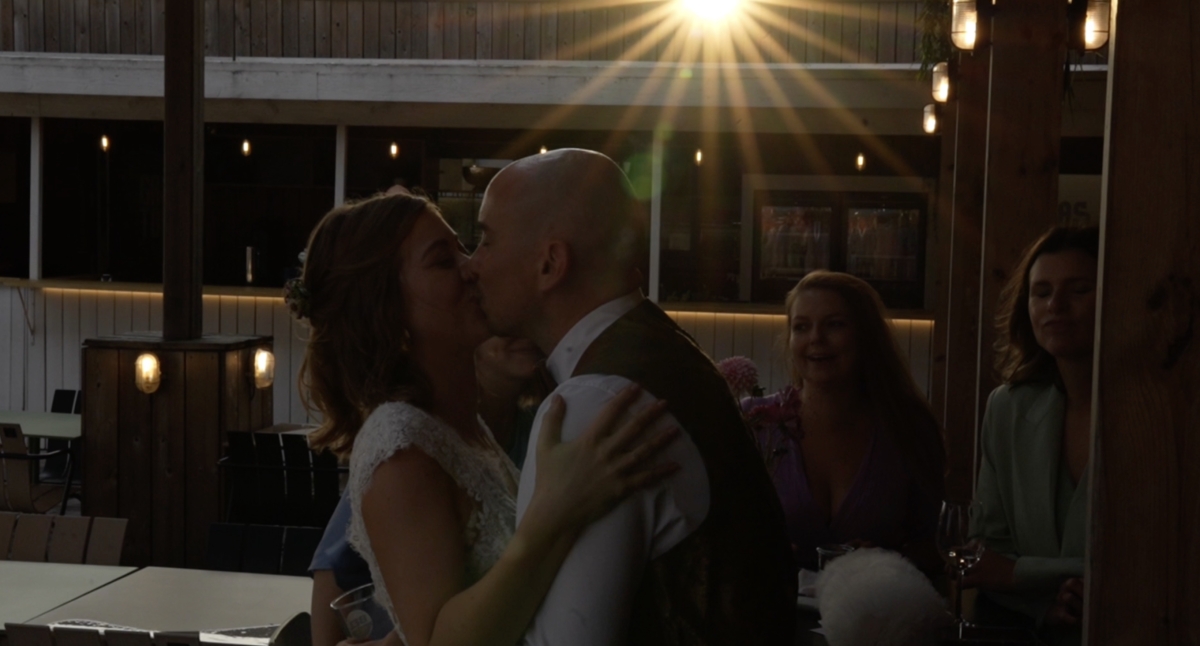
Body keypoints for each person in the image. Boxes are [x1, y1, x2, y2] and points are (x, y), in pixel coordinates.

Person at [293, 192, 681, 646]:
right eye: (444, 261)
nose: (472, 267)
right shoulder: (400, 449)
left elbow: (439, 601)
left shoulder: (457, 424)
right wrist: (554, 514)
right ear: (387, 311)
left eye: (465, 247)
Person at [462, 148, 796, 645]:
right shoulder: (662, 354)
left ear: (550, 264)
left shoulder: (593, 405)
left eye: (486, 240)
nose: (471, 265)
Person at [309, 335, 551, 646]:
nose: (523, 334)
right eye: (501, 326)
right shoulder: (408, 449)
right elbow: (334, 567)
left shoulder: (535, 424)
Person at [740, 270, 946, 574]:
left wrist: (886, 560)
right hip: (773, 602)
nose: (816, 338)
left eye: (834, 324)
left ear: (866, 335)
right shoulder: (754, 422)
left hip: (876, 602)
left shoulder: (909, 427)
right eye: (801, 327)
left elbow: (937, 547)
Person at [965, 226, 1099, 645]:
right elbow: (986, 552)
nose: (1056, 305)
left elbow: (1156, 563)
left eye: (1079, 289)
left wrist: (1018, 573)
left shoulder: (1157, 419)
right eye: (1042, 292)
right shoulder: (1008, 408)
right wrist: (1046, 605)